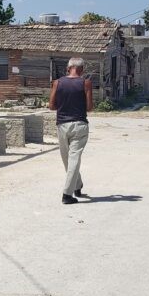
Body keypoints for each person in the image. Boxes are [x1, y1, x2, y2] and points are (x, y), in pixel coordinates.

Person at [48, 57, 94, 205]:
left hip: (62, 125)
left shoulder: (57, 83)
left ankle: (69, 191)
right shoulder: (86, 83)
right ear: (81, 70)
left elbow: (51, 106)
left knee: (67, 159)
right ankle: (74, 188)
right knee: (73, 159)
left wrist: (64, 106)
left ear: (68, 68)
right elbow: (89, 108)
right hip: (80, 124)